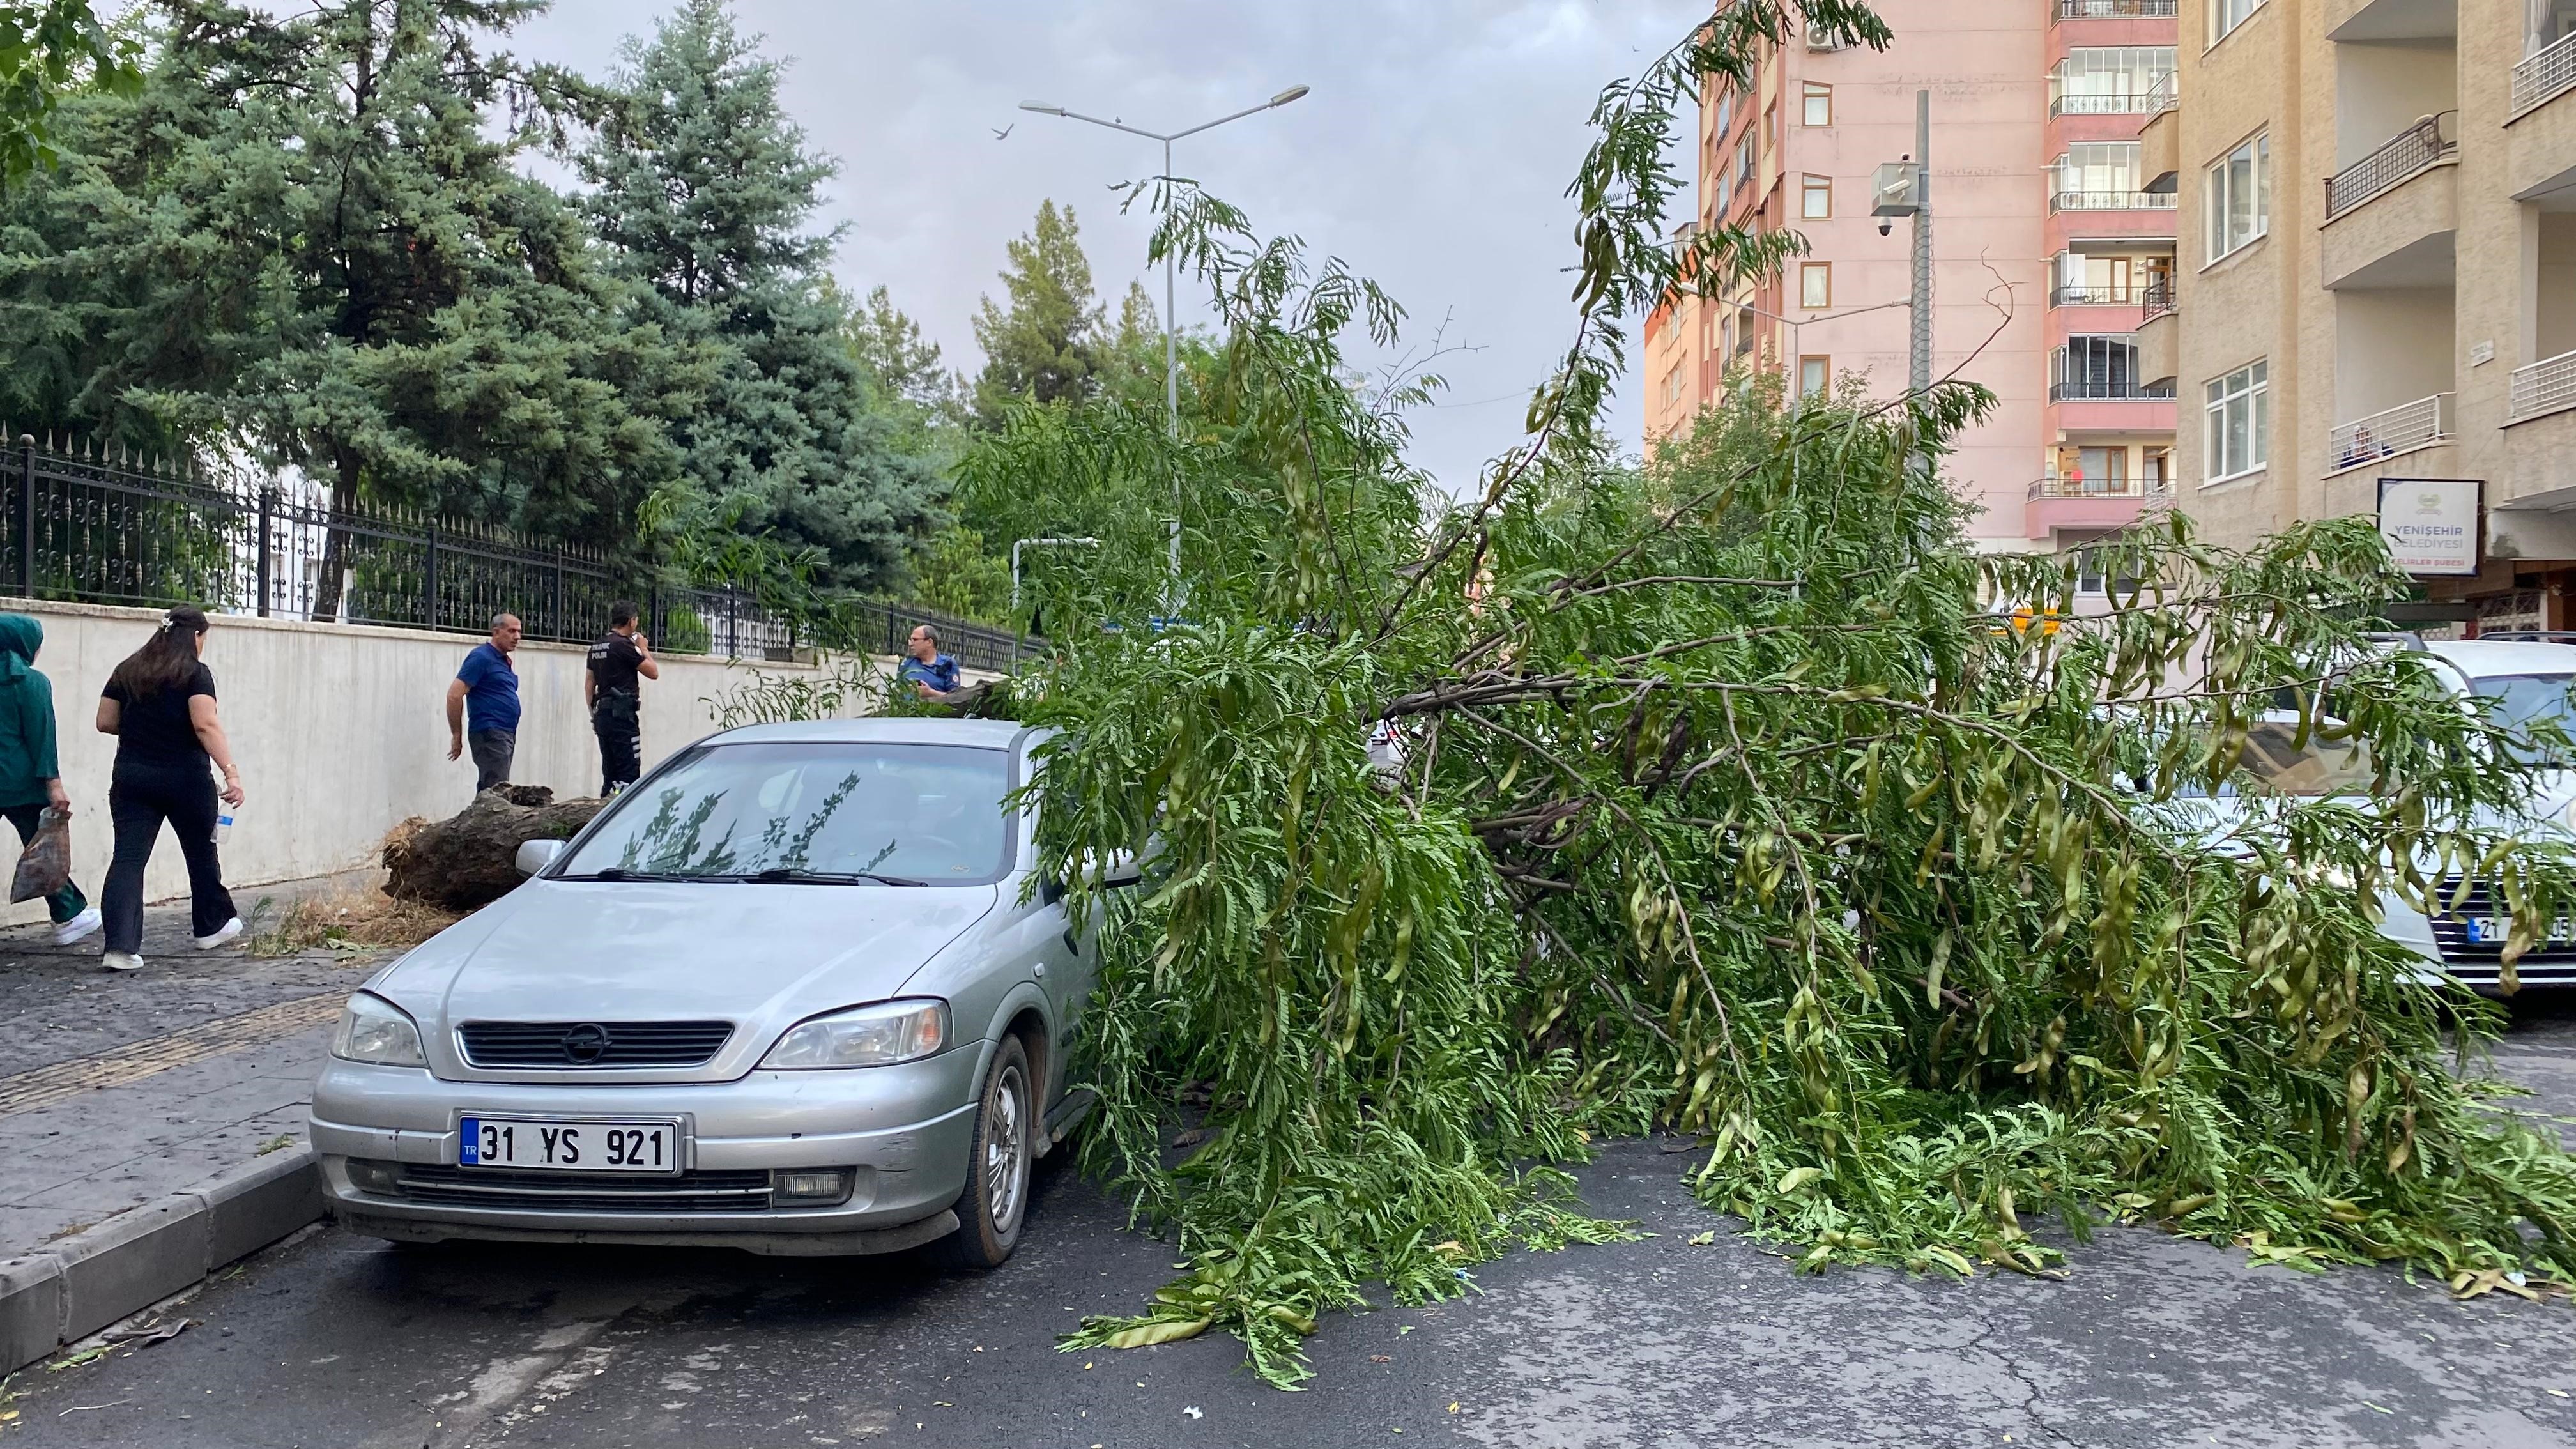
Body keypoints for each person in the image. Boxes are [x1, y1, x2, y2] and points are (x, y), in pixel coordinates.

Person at [95, 606, 242, 972]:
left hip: (132, 777)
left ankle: (120, 947)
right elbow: (205, 725)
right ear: (196, 637)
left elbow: (105, 721)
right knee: (201, 852)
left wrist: (143, 731)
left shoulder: (128, 668)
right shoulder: (196, 674)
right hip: (186, 778)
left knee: (128, 859)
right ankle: (211, 927)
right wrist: (232, 773)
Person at [0, 615, 99, 945]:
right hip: (21, 783)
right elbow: (42, 737)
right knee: (43, 851)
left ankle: (70, 913)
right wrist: (54, 783)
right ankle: (68, 914)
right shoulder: (30, 682)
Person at [586, 601, 658, 797]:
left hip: (602, 715)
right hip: (622, 717)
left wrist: (593, 715)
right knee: (628, 772)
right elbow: (653, 672)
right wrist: (643, 648)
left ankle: (604, 809)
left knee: (610, 773)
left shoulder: (596, 646)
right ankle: (623, 816)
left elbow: (589, 685)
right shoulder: (625, 646)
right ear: (631, 621)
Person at [447, 613, 523, 793]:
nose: (517, 637)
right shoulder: (482, 658)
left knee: (494, 789)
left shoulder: (501, 660)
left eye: (520, 632)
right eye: (512, 631)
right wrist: (457, 735)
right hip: (490, 732)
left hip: (504, 732)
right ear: (496, 632)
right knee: (496, 792)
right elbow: (454, 696)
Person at [900, 625, 962, 700]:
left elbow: (956, 698)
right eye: (910, 640)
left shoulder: (948, 664)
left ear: (929, 642)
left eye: (915, 640)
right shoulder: (906, 664)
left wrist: (931, 693)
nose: (910, 644)